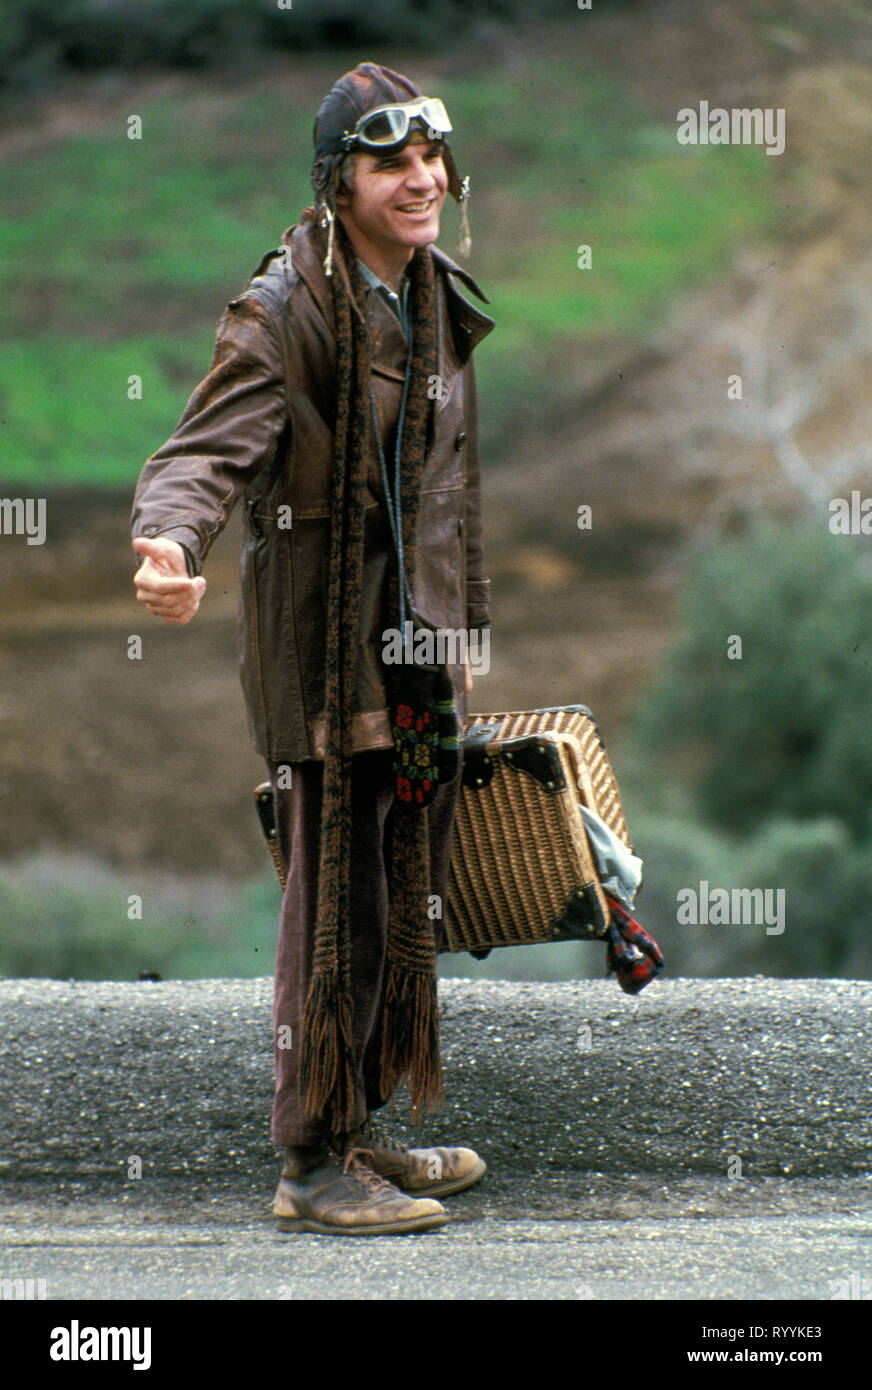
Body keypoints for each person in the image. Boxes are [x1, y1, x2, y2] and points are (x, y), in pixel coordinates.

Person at [131, 62, 494, 1236]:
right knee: (333, 892)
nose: (422, 179)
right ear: (340, 183)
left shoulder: (431, 292)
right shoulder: (284, 306)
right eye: (392, 162)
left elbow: (448, 487)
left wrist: (464, 627)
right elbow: (205, 448)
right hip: (324, 646)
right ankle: (309, 1164)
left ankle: (356, 1129)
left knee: (401, 891)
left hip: (416, 642)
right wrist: (169, 541)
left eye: (430, 157)